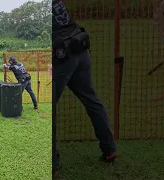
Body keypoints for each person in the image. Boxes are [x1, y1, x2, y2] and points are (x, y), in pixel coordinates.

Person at [52, 0, 118, 178]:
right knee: (91, 99)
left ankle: (52, 165)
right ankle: (109, 149)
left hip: (62, 56)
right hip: (79, 47)